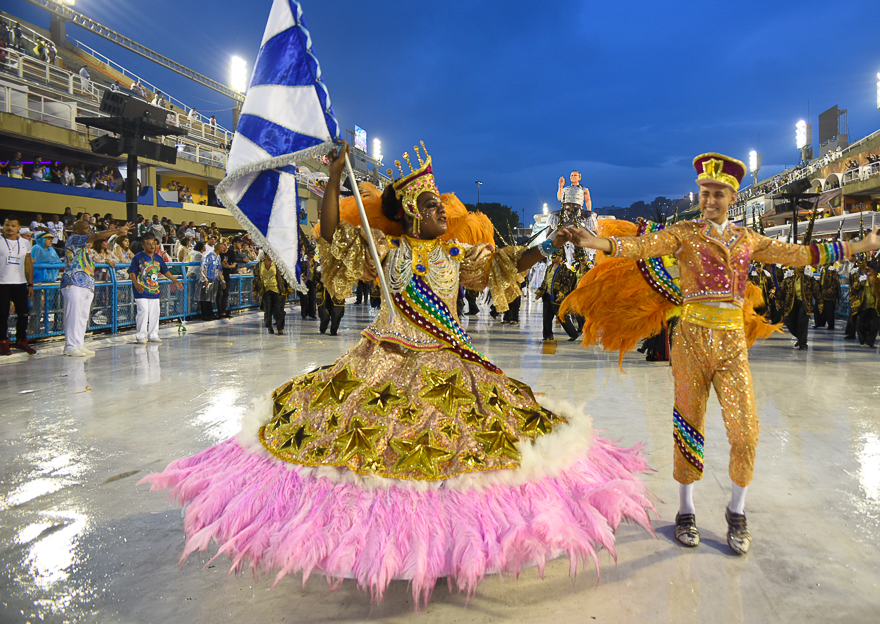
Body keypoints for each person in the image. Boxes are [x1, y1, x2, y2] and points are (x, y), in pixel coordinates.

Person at [142, 142, 652, 606]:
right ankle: (382, 543)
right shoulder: (387, 252)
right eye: (430, 206)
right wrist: (338, 179)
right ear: (410, 213)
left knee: (465, 448)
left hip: (449, 363)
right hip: (384, 361)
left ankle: (451, 544)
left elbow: (507, 263)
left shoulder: (458, 253)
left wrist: (550, 244)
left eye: (439, 206)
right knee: (371, 446)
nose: (440, 213)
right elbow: (330, 237)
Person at [562, 152, 880, 555]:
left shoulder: (747, 240)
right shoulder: (685, 233)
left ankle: (736, 511)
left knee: (745, 432)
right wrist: (596, 241)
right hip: (690, 342)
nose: (709, 200)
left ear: (732, 196)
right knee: (688, 426)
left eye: (718, 194)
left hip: (731, 345)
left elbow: (796, 254)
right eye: (705, 193)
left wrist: (859, 246)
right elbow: (641, 246)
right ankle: (686, 510)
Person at [61, 221, 127, 357]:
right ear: (77, 231)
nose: (89, 231)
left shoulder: (86, 248)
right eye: (85, 228)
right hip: (73, 282)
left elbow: (95, 259)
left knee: (83, 316)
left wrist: (105, 261)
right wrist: (116, 231)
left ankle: (79, 344)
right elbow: (97, 236)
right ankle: (70, 345)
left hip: (86, 284)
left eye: (89, 228)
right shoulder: (73, 239)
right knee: (73, 315)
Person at [128, 233, 183, 344]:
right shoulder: (138, 257)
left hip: (154, 290)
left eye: (154, 244)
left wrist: (175, 280)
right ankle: (141, 335)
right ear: (143, 245)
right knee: (143, 311)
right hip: (141, 290)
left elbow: (165, 271)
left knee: (155, 312)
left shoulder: (158, 258)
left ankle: (153, 334)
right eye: (149, 244)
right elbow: (132, 272)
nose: (152, 246)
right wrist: (136, 284)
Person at [1, 216, 36, 355]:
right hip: (2, 284)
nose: (9, 228)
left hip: (20, 284)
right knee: (2, 315)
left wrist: (30, 284)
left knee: (24, 313)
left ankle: (21, 340)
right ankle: (3, 342)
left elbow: (28, 264)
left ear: (18, 228)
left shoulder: (25, 243)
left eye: (13, 226)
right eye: (7, 225)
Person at [538, 249, 580, 341]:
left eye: (555, 257)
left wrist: (562, 294)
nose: (553, 259)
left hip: (558, 296)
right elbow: (545, 281)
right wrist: (539, 292)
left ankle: (573, 334)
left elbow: (568, 283)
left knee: (562, 316)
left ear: (560, 256)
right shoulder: (549, 267)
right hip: (547, 295)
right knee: (546, 317)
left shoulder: (566, 268)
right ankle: (547, 335)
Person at [856, 261, 880, 348]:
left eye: (871, 268)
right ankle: (863, 340)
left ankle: (869, 342)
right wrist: (858, 284)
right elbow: (854, 289)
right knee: (860, 324)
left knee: (874, 326)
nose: (869, 270)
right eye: (868, 268)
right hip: (864, 306)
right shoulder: (863, 279)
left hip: (876, 306)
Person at [254, 253, 288, 333]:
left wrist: (289, 289)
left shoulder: (278, 265)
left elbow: (285, 276)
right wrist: (254, 292)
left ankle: (280, 329)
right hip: (265, 290)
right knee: (267, 310)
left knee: (279, 310)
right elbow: (255, 280)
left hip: (277, 289)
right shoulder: (258, 266)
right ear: (265, 255)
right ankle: (269, 326)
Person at [198, 240, 225, 321]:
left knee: (210, 298)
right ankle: (205, 314)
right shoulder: (209, 256)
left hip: (214, 279)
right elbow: (204, 267)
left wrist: (222, 280)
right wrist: (205, 278)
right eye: (223, 248)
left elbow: (219, 269)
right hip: (207, 278)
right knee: (204, 298)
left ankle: (210, 313)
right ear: (219, 248)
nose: (224, 249)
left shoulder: (218, 257)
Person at [816, 261, 841, 330]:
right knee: (820, 308)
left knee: (829, 310)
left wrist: (830, 291)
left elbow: (835, 282)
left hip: (829, 294)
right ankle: (820, 323)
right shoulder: (823, 270)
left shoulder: (832, 270)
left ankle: (830, 325)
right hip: (822, 292)